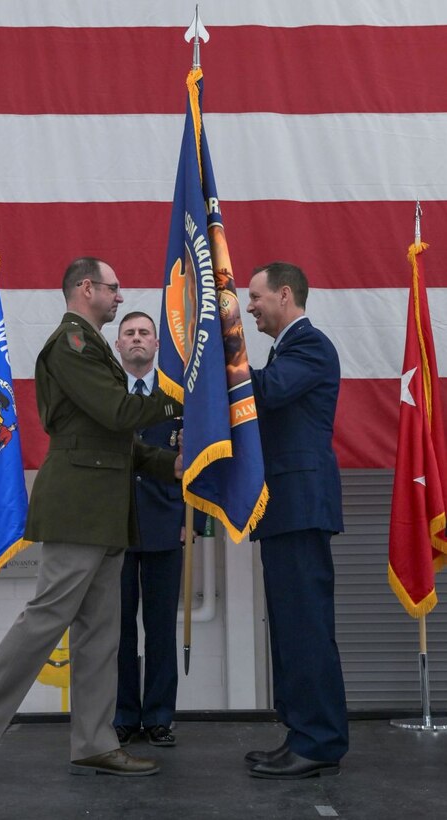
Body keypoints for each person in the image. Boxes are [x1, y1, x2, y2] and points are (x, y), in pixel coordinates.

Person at [0, 257, 183, 785]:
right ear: (86, 288)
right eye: (113, 289)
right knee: (45, 621)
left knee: (100, 634)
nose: (119, 297)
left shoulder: (92, 349)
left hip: (104, 510)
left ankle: (94, 741)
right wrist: (182, 401)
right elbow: (118, 413)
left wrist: (171, 464)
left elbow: (117, 441)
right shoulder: (70, 345)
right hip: (78, 508)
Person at [244, 261, 348, 780]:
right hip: (284, 507)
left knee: (306, 626)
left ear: (285, 295)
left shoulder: (310, 346)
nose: (250, 307)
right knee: (289, 628)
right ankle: (301, 733)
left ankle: (321, 740)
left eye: (256, 297)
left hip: (301, 504)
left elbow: (264, 392)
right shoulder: (287, 350)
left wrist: (220, 356)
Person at [113, 311, 184, 748]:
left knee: (160, 628)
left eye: (144, 333)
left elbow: (201, 462)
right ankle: (122, 715)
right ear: (118, 345)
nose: (137, 339)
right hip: (114, 526)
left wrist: (193, 523)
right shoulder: (104, 392)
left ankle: (159, 716)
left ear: (157, 345)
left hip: (165, 525)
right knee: (117, 629)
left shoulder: (178, 395)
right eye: (129, 333)